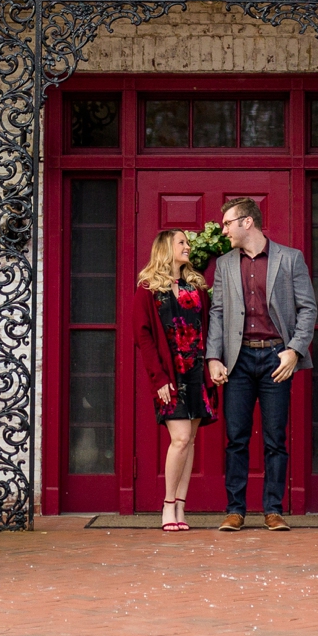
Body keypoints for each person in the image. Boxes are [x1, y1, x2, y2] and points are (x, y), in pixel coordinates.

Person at [203, 196, 316, 531]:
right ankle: (235, 510)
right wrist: (213, 357)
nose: (224, 229)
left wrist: (294, 350)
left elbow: (307, 308)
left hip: (275, 358)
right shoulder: (224, 264)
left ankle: (273, 509)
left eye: (228, 223)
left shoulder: (290, 259)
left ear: (247, 222)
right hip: (237, 360)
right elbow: (218, 313)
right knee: (236, 437)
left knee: (274, 438)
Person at [135, 226, 216, 532]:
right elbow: (143, 337)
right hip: (170, 374)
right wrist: (158, 378)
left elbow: (207, 327)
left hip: (196, 370)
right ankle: (168, 505)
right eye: (181, 242)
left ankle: (182, 505)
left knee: (190, 439)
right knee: (180, 439)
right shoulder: (147, 290)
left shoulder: (196, 286)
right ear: (165, 249)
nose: (187, 247)